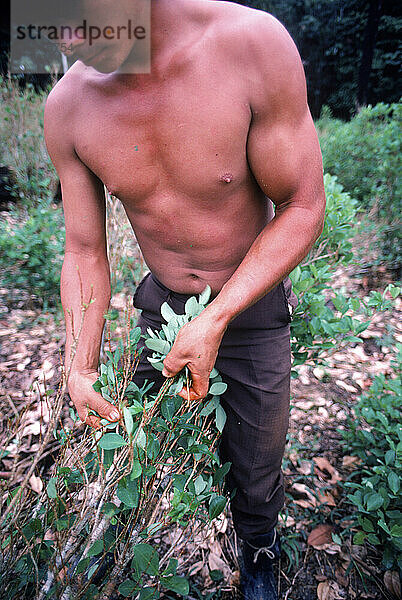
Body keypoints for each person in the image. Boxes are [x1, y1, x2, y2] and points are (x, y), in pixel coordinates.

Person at [44, 1, 326, 597]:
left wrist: (220, 315)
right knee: (128, 442)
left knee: (255, 464)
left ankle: (258, 550)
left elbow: (304, 206)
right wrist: (80, 362)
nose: (66, 39)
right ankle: (127, 543)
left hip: (249, 302)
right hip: (163, 306)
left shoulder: (250, 46)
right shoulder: (69, 104)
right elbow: (84, 250)